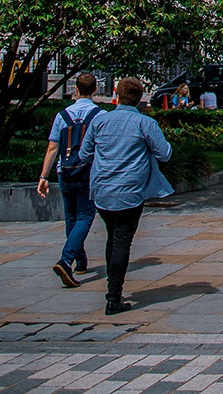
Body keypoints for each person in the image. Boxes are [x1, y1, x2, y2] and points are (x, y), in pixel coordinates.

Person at [79, 75, 173, 316]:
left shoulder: (100, 122)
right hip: (130, 191)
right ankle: (113, 297)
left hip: (102, 190)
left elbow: (84, 154)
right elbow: (164, 154)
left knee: (113, 237)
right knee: (122, 240)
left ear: (116, 96)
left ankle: (114, 292)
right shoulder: (145, 123)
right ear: (139, 99)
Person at [37, 71, 100, 287]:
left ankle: (80, 261)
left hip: (64, 172)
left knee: (71, 217)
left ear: (75, 89)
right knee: (84, 216)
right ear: (95, 89)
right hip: (87, 173)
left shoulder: (62, 116)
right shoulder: (99, 116)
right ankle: (66, 260)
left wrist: (44, 176)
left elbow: (52, 147)